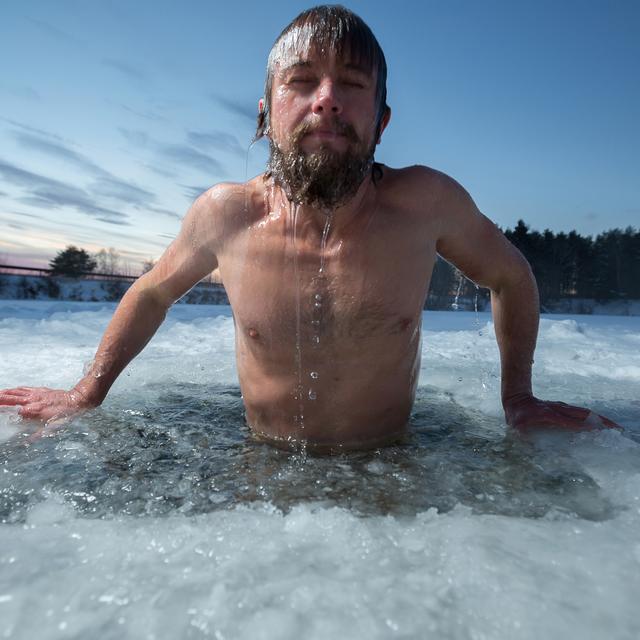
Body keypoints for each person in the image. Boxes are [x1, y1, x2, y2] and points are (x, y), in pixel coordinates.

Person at [0, 6, 618, 451]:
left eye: (352, 85)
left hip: (394, 463)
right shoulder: (226, 213)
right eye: (302, 82)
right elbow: (153, 291)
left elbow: (511, 275)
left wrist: (520, 398)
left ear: (381, 121)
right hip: (261, 462)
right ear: (268, 113)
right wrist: (87, 392)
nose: (327, 100)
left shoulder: (426, 203)